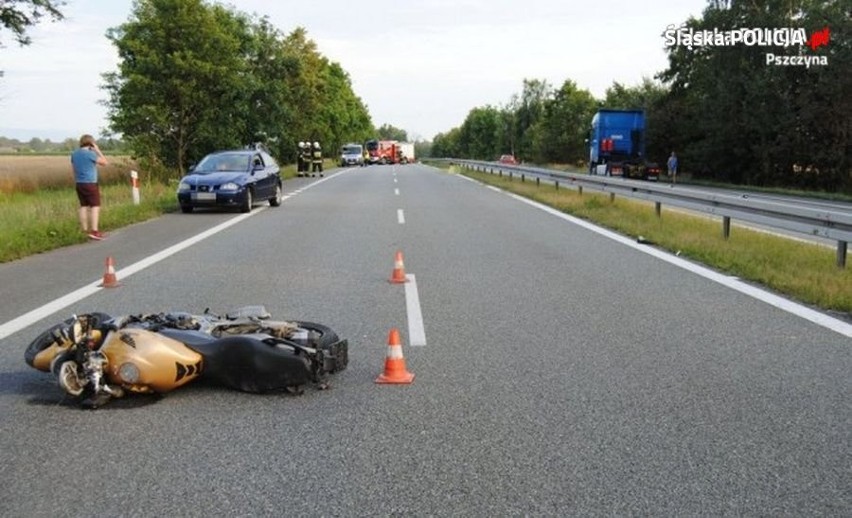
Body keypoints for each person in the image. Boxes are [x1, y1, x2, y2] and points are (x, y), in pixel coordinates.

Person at [71, 134, 108, 240]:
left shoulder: (74, 154)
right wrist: (97, 150)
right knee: (95, 206)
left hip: (79, 183)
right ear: (91, 143)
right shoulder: (90, 154)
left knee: (83, 206)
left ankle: (84, 230)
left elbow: (74, 170)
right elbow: (105, 163)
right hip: (90, 183)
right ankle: (94, 231)